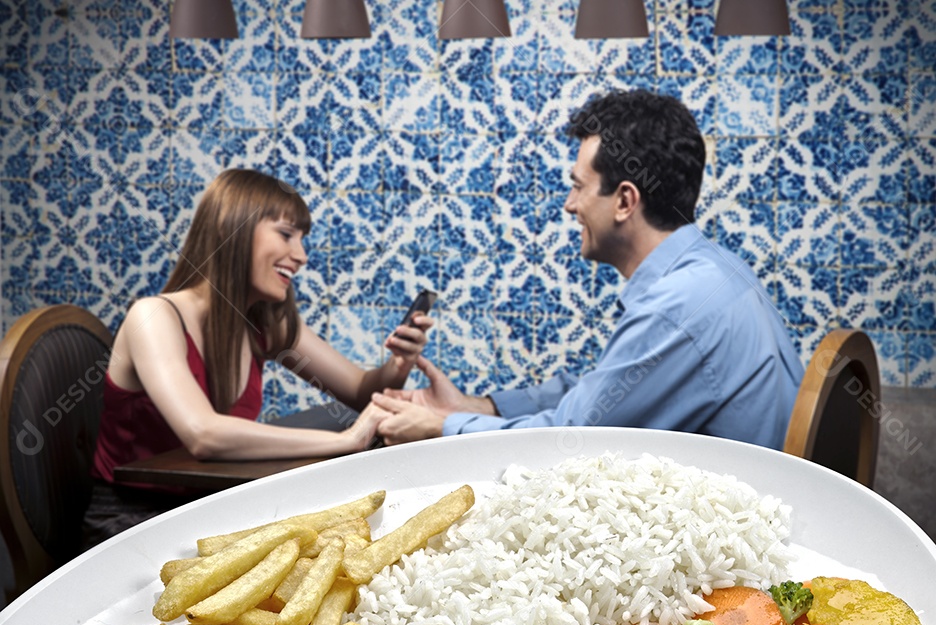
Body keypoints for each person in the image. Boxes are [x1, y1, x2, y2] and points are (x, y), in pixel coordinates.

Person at [371, 88, 802, 449]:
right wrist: (475, 407)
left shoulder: (678, 306)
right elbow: (605, 391)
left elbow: (571, 441)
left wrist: (441, 429)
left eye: (578, 187)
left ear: (625, 200)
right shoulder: (716, 270)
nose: (569, 205)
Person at [84, 168, 430, 545]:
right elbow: (203, 434)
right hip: (131, 519)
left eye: (302, 240)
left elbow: (361, 391)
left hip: (207, 510)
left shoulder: (264, 325)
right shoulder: (153, 317)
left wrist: (398, 364)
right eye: (286, 234)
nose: (301, 256)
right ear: (230, 228)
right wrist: (347, 440)